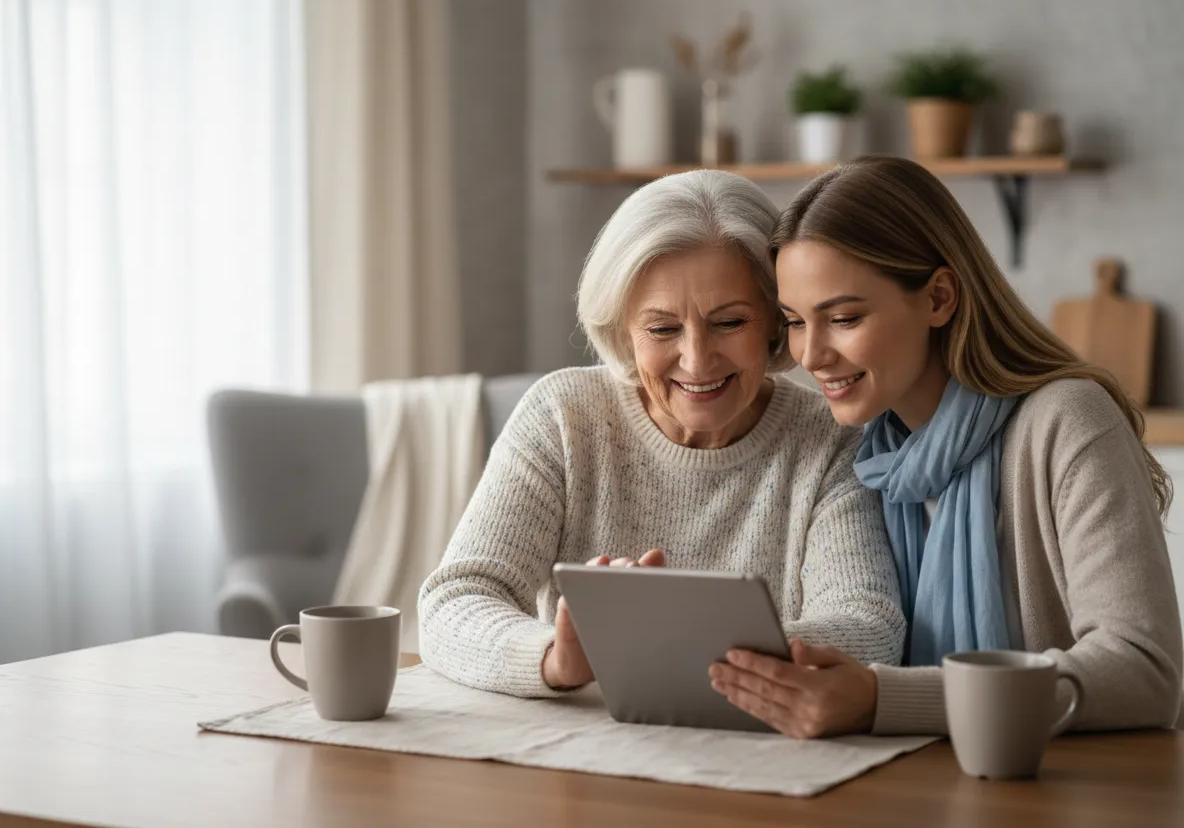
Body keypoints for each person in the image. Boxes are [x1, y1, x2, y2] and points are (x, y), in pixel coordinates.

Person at [710, 155, 1183, 736]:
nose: (811, 356)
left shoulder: (1067, 422)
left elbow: (1145, 673)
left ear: (939, 298)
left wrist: (882, 698)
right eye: (797, 322)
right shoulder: (862, 453)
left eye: (845, 318)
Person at [418, 169, 904, 698]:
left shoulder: (830, 438)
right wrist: (556, 658)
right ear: (623, 329)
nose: (696, 361)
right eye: (662, 328)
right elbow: (453, 603)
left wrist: (660, 639)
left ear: (775, 319)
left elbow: (869, 629)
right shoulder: (564, 415)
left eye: (729, 323)